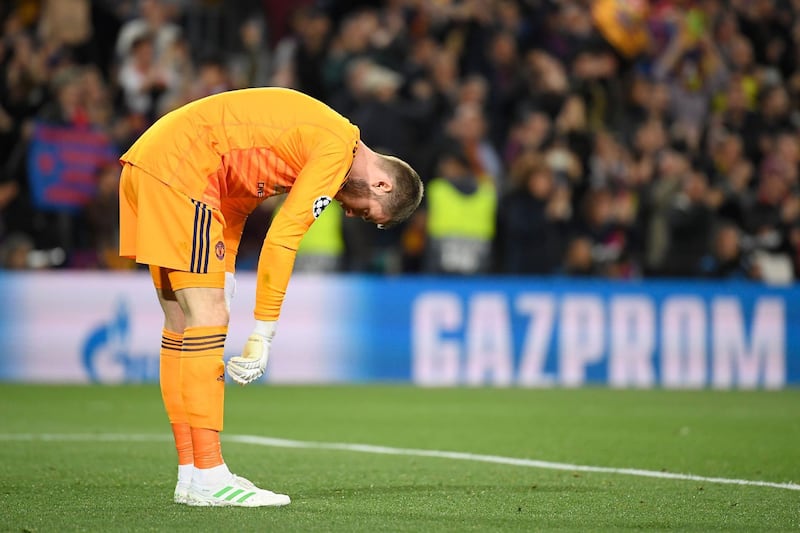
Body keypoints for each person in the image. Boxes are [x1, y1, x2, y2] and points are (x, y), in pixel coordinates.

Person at [118, 87, 424, 507]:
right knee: (207, 315)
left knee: (183, 322)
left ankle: (191, 473)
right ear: (381, 182)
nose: (350, 213)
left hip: (154, 161)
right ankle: (209, 474)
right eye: (366, 210)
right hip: (185, 168)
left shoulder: (312, 142)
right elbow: (283, 239)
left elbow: (239, 196)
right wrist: (264, 332)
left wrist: (223, 269)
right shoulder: (337, 148)